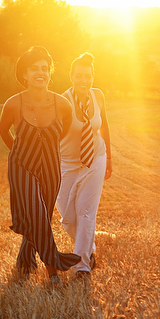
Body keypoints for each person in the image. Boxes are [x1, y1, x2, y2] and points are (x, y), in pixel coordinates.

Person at [0, 46, 80, 284]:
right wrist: (20, 153)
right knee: (37, 212)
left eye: (44, 68)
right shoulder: (13, 104)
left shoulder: (62, 104)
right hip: (22, 166)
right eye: (34, 69)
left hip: (52, 167)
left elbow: (62, 132)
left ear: (50, 72)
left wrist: (45, 151)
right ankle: (53, 269)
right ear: (24, 74)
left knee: (42, 216)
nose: (40, 73)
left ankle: (24, 262)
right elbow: (3, 131)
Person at [56, 52, 112, 276]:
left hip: (95, 159)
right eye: (79, 76)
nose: (84, 81)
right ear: (71, 76)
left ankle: (82, 266)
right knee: (68, 218)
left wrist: (110, 159)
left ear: (92, 76)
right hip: (67, 164)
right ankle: (91, 248)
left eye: (88, 76)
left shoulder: (98, 96)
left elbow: (104, 126)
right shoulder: (63, 101)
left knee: (86, 213)